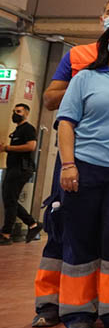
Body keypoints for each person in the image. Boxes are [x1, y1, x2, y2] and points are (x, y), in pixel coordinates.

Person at [34, 0, 109, 328]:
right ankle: (77, 311)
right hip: (83, 168)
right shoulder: (84, 75)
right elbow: (66, 121)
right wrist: (69, 165)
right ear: (105, 38)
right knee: (78, 238)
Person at [0, 103, 40, 245]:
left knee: (10, 200)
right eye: (14, 111)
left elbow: (31, 146)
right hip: (13, 168)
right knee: (9, 199)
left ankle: (6, 234)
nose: (15, 114)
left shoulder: (28, 129)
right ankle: (33, 224)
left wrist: (7, 148)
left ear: (26, 113)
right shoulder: (17, 130)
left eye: (18, 111)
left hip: (21, 169)